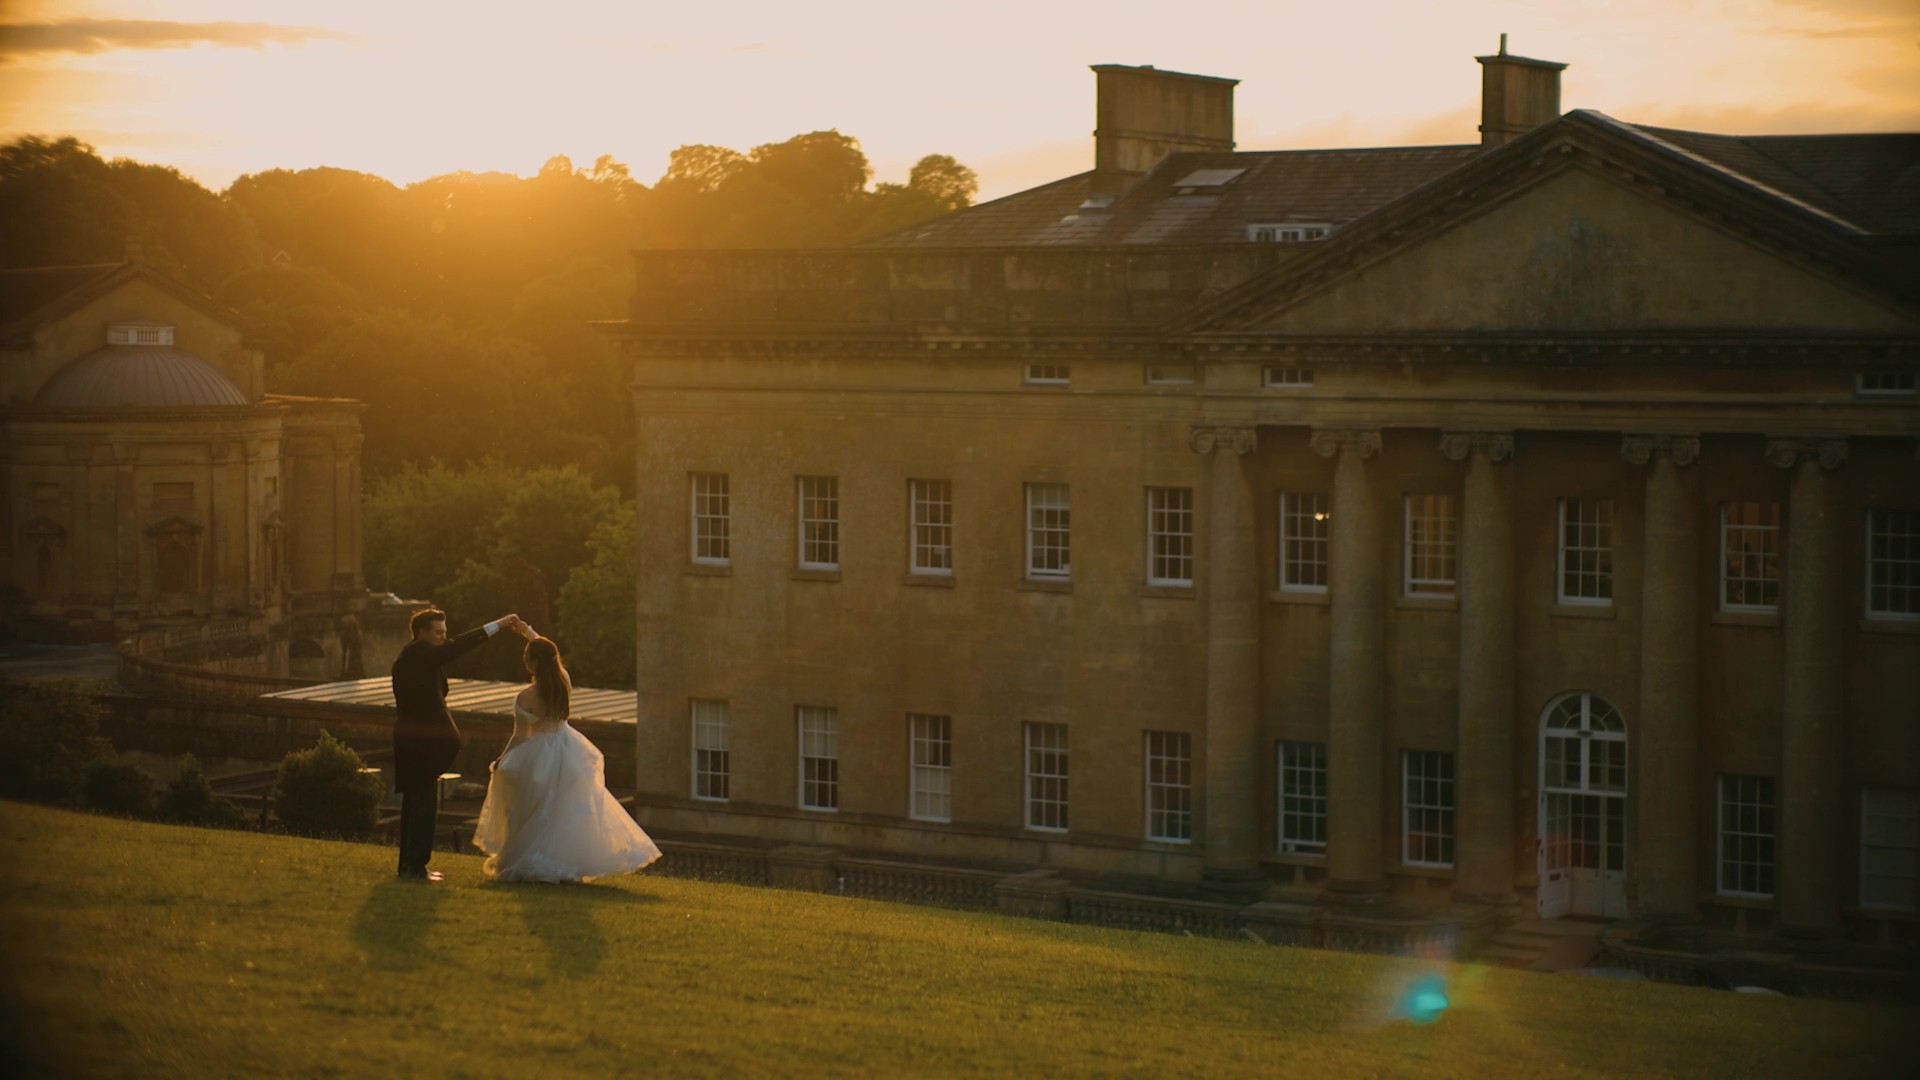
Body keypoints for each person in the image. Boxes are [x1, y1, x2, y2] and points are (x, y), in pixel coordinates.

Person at [472, 627, 662, 883]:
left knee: (535, 808)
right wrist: (529, 633)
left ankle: (531, 858)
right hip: (569, 748)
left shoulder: (526, 697)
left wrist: (502, 759)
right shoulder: (563, 683)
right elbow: (551, 656)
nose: (524, 661)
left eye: (527, 657)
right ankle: (564, 861)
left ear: (534, 663)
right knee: (566, 808)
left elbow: (520, 736)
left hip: (539, 754)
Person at [390, 607, 524, 882]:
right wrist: (497, 625)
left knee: (417, 805)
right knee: (422, 806)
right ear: (422, 633)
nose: (444, 638)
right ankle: (414, 867)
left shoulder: (420, 658)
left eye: (445, 632)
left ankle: (411, 865)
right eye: (438, 632)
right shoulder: (418, 653)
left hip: (417, 743)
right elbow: (457, 647)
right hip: (420, 745)